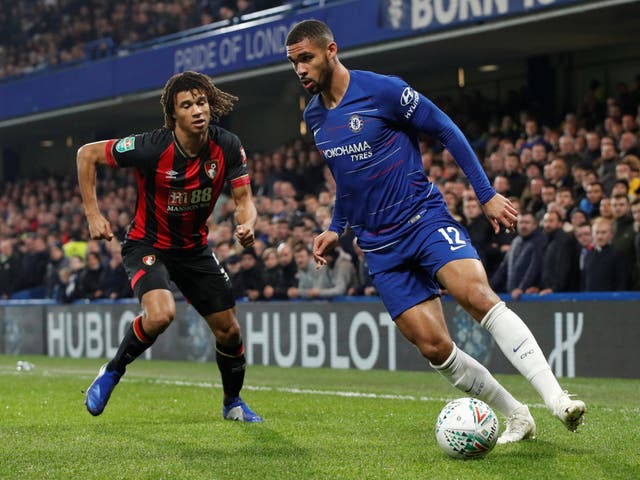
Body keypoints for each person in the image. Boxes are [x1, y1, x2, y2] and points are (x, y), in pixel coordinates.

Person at [285, 19, 585, 444]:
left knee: (478, 296)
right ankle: (517, 415)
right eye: (293, 62)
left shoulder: (383, 90)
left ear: (331, 51)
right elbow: (346, 179)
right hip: (379, 247)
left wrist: (486, 195)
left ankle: (557, 400)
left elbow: (446, 129)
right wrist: (336, 228)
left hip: (423, 220)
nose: (299, 69)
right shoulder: (315, 116)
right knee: (434, 347)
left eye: (306, 58)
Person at [77, 70, 262, 422]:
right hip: (148, 243)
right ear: (173, 115)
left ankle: (232, 403)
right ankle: (113, 371)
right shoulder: (152, 146)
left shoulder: (227, 145)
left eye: (202, 102)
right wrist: (93, 214)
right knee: (161, 314)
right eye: (187, 105)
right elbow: (87, 155)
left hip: (193, 249)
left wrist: (248, 223)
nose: (197, 110)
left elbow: (244, 199)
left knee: (230, 330)